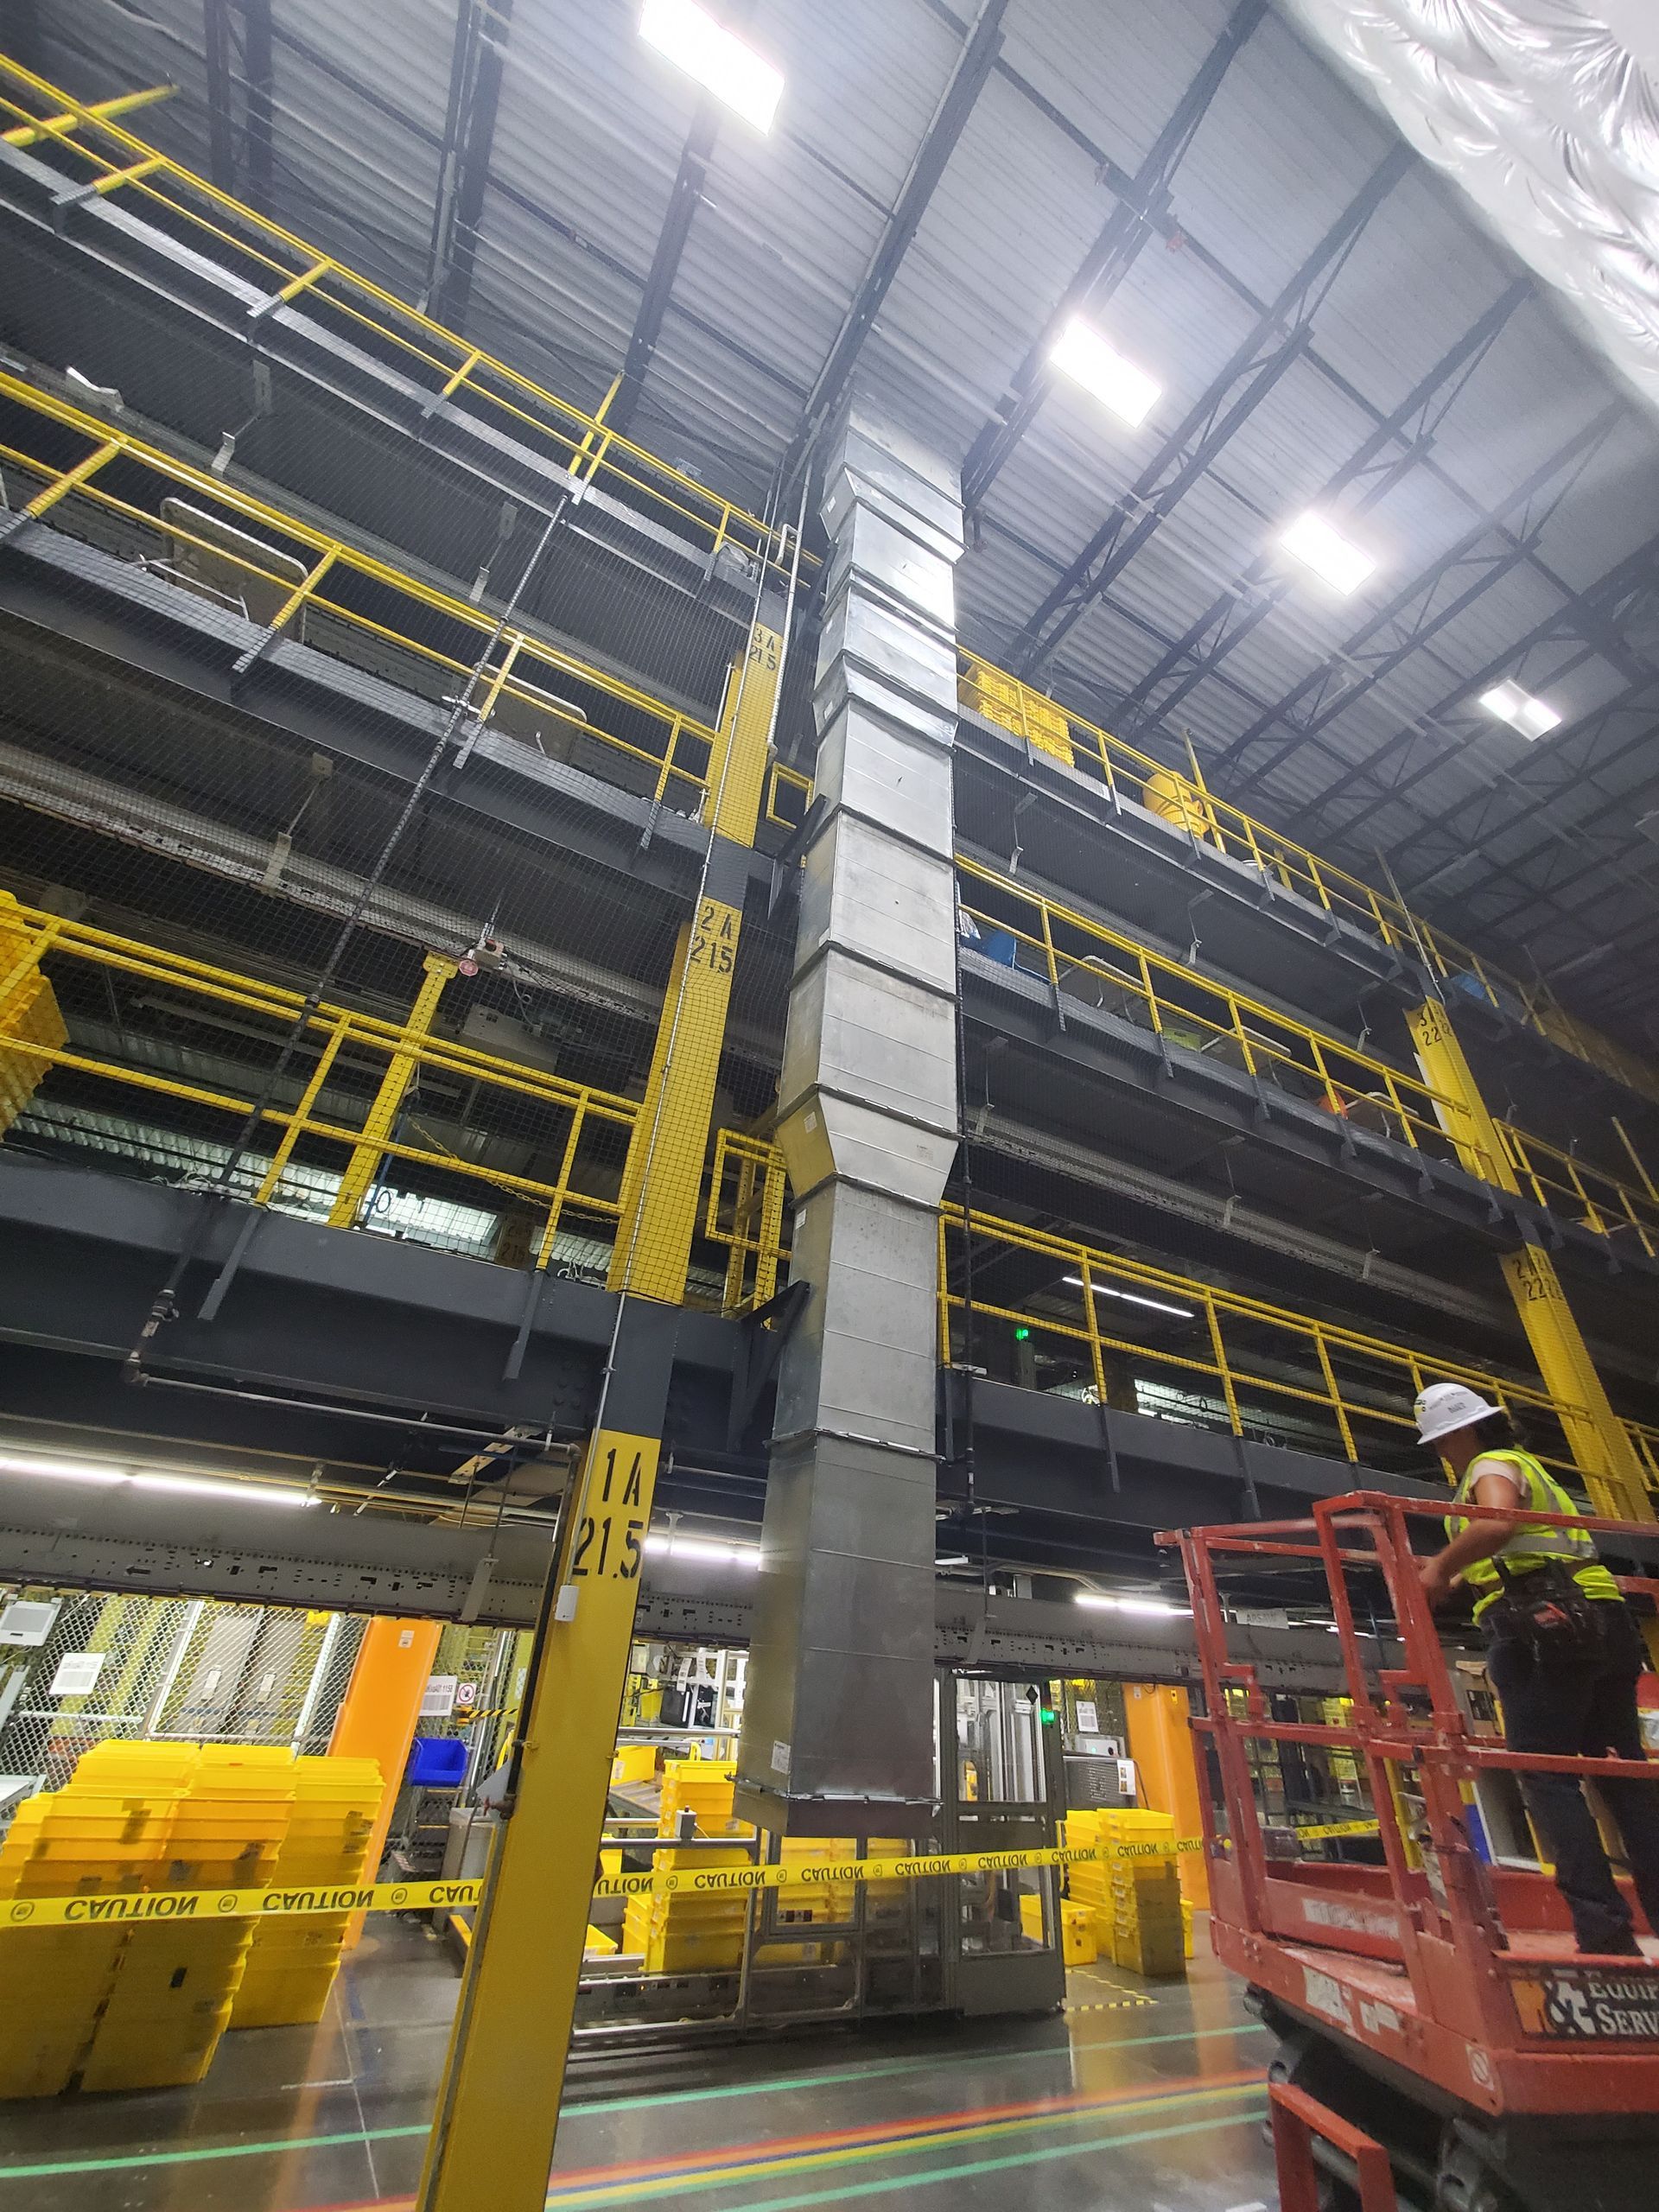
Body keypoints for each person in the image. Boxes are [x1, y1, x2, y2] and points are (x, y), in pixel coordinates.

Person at [1413, 1380, 1659, 1956]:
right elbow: (1517, 1541)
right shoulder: (1531, 1467)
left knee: (1547, 1774)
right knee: (1621, 1774)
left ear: (1459, 1432)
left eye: (1440, 1440)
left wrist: (1440, 1570)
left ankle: (1604, 1930)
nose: (1440, 1452)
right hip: (1602, 1620)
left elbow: (1496, 1523)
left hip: (1541, 1624)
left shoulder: (1491, 1464)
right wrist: (1460, 1568)